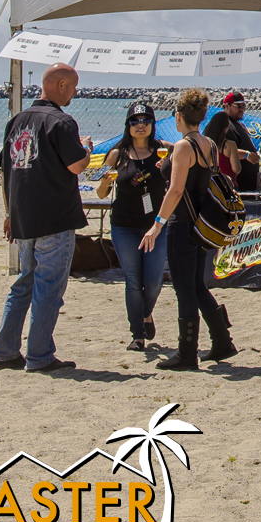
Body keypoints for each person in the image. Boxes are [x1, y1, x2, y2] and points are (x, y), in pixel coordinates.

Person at [0, 62, 93, 373]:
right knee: (48, 287)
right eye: (73, 87)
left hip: (24, 215)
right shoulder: (61, 122)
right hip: (54, 217)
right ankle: (39, 355)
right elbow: (76, 166)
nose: (75, 92)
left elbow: (6, 172)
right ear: (61, 85)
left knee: (24, 283)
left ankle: (5, 349)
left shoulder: (17, 121)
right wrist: (85, 149)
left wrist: (9, 213)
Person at [140, 88, 238, 370]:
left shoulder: (184, 146)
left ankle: (187, 352)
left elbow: (176, 190)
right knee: (196, 285)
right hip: (201, 225)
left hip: (182, 224)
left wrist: (156, 225)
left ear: (179, 116)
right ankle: (222, 340)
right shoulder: (208, 143)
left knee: (184, 289)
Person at [93, 102, 168, 350]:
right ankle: (137, 333)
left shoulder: (163, 152)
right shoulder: (117, 155)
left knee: (155, 279)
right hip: (125, 225)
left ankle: (145, 313)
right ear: (128, 125)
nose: (140, 125)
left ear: (153, 124)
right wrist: (104, 181)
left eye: (145, 120)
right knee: (133, 281)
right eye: (135, 121)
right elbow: (102, 194)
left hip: (156, 225)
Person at [204, 91, 261, 191]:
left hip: (245, 183)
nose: (242, 109)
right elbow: (219, 150)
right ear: (227, 106)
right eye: (238, 106)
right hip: (231, 184)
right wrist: (247, 155)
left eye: (243, 106)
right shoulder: (224, 126)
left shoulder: (239, 124)